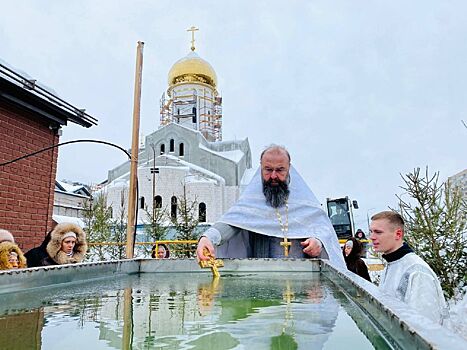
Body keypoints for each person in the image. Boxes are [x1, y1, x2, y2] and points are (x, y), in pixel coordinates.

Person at [197, 145, 345, 268]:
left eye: (280, 170)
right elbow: (231, 223)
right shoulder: (251, 202)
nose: (273, 176)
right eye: (268, 170)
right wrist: (207, 238)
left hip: (302, 288)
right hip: (263, 283)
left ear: (289, 170)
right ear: (260, 169)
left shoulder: (305, 204)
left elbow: (323, 230)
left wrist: (318, 242)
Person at [369, 211, 448, 324]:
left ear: (398, 234)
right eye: (371, 232)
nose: (372, 237)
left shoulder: (416, 272)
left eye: (378, 232)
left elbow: (425, 326)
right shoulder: (392, 265)